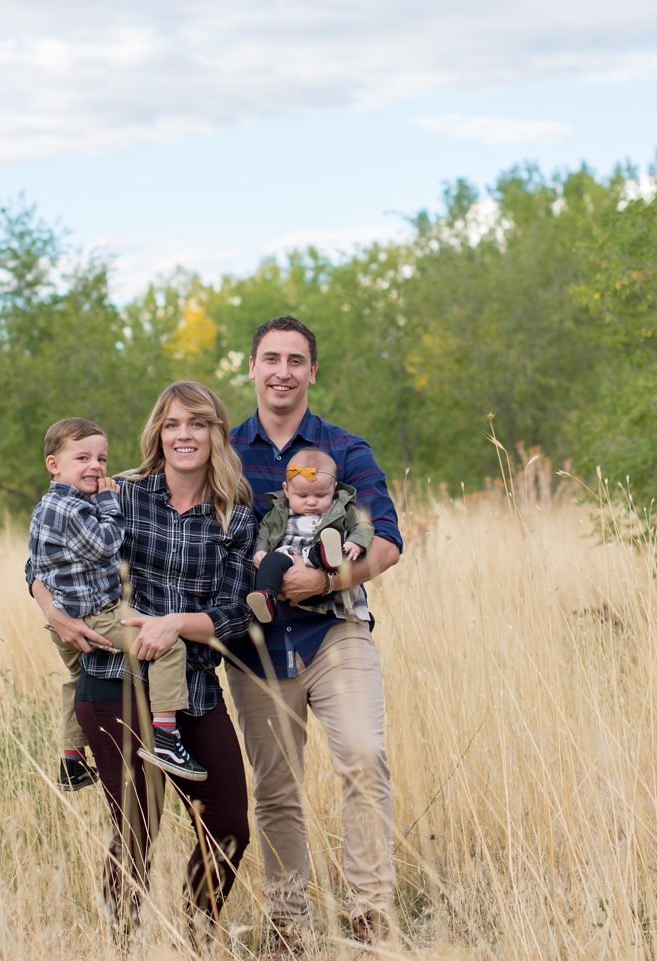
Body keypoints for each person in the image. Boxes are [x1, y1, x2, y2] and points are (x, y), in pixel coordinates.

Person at [31, 382, 257, 938]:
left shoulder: (235, 514)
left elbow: (237, 613)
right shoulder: (120, 493)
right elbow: (43, 555)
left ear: (215, 434)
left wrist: (175, 624)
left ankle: (197, 934)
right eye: (174, 423)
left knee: (228, 828)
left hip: (195, 690)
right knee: (136, 828)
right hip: (113, 681)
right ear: (158, 431)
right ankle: (122, 944)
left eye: (198, 424)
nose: (185, 435)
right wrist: (53, 612)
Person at [227, 315, 403, 948]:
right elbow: (161, 498)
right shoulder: (224, 450)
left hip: (336, 631)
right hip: (256, 645)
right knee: (275, 786)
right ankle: (288, 920)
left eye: (295, 360)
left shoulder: (345, 450)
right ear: (251, 367)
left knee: (363, 754)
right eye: (270, 358)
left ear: (312, 372)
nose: (282, 371)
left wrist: (324, 582)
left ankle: (369, 913)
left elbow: (386, 542)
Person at [25, 417, 207, 787]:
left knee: (77, 681)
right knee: (168, 647)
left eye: (102, 459)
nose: (96, 466)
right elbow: (107, 544)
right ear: (54, 465)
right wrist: (109, 500)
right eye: (83, 459)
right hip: (96, 616)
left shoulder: (49, 506)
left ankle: (72, 760)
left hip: (67, 620)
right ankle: (166, 736)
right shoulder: (71, 508)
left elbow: (39, 565)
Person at [247, 444, 373, 626]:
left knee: (322, 549)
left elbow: (364, 526)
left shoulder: (342, 510)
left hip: (320, 573)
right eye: (303, 495)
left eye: (321, 495)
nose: (312, 502)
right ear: (286, 490)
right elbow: (265, 531)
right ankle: (267, 597)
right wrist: (261, 550)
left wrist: (356, 542)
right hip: (288, 560)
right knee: (271, 561)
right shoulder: (278, 512)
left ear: (334, 489)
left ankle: (329, 556)